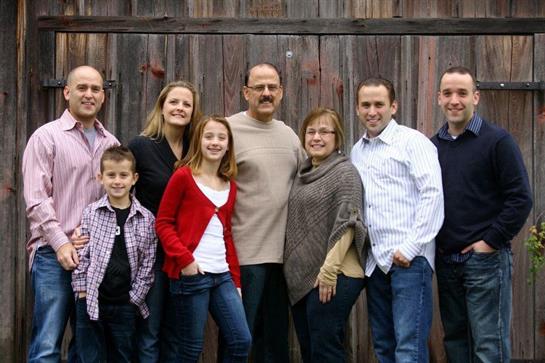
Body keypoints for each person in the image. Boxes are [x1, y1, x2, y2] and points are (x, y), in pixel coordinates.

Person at [431, 66, 533, 363]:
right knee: (456, 345)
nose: (455, 100)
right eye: (448, 93)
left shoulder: (497, 141)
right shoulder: (432, 146)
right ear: (439, 98)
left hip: (485, 263)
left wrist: (488, 243)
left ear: (475, 97)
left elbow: (520, 198)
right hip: (446, 261)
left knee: (489, 347)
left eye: (462, 93)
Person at [22, 65, 119, 363]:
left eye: (95, 89)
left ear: (103, 96)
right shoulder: (46, 137)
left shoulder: (111, 144)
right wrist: (60, 242)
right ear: (67, 92)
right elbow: (37, 199)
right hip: (53, 255)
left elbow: (115, 201)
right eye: (82, 88)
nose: (89, 94)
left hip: (93, 258)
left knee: (86, 347)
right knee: (47, 344)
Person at [351, 77, 444, 363]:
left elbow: (433, 194)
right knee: (384, 347)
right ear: (357, 109)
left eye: (379, 104)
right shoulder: (357, 151)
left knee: (409, 348)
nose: (372, 111)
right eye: (365, 105)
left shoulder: (412, 142)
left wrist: (412, 247)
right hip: (376, 264)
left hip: (409, 261)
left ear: (393, 106)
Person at [156, 115, 252, 362]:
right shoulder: (183, 177)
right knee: (190, 349)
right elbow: (163, 223)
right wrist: (186, 261)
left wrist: (236, 281)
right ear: (199, 141)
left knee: (241, 340)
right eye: (209, 136)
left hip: (222, 276)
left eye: (222, 137)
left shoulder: (230, 185)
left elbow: (226, 235)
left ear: (229, 144)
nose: (215, 142)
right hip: (191, 274)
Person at [226, 62, 305, 362]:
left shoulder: (289, 136)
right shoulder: (228, 130)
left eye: (272, 87)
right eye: (259, 87)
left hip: (284, 258)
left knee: (275, 341)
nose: (266, 93)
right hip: (245, 255)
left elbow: (308, 178)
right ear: (246, 92)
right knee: (239, 338)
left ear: (281, 93)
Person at [284, 108, 367, 362]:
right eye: (311, 131)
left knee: (325, 349)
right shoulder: (304, 172)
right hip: (306, 276)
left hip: (335, 274)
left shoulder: (344, 173)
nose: (316, 137)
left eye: (324, 131)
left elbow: (348, 224)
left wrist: (328, 271)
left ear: (337, 137)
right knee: (310, 349)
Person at [128, 80, 201, 362]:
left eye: (186, 104)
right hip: (152, 256)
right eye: (174, 102)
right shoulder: (141, 146)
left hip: (187, 255)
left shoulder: (197, 149)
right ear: (161, 107)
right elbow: (120, 195)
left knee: (177, 333)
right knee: (149, 332)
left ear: (194, 112)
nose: (179, 108)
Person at [72, 146, 157, 362]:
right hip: (91, 299)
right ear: (100, 177)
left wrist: (135, 298)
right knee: (90, 356)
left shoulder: (145, 218)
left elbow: (148, 263)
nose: (117, 181)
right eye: (111, 175)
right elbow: (82, 254)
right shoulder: (91, 212)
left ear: (134, 178)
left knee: (123, 355)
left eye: (123, 175)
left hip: (125, 304)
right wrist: (82, 291)